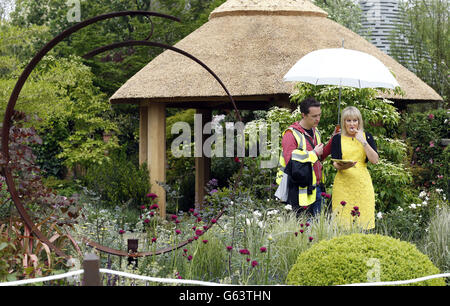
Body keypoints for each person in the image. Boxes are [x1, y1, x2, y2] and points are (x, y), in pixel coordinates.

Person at [276, 97, 335, 217]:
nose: (318, 119)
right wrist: (313, 153)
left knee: (318, 228)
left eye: (319, 115)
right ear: (303, 115)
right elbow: (290, 162)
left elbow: (320, 157)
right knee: (303, 229)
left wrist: (333, 140)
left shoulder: (316, 132)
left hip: (317, 188)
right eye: (314, 116)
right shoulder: (290, 134)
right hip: (299, 191)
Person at [331, 106, 379, 229]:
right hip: (343, 184)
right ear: (344, 122)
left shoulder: (366, 137)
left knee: (363, 223)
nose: (352, 124)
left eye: (355, 120)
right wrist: (345, 166)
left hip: (362, 185)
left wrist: (363, 141)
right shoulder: (337, 138)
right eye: (348, 120)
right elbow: (335, 164)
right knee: (342, 222)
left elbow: (374, 160)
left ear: (359, 122)